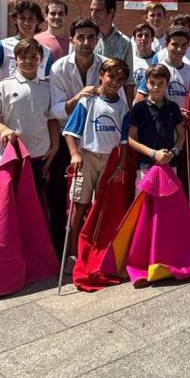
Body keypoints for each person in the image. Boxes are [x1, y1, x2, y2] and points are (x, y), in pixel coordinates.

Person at [62, 58, 131, 271]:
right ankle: (72, 251)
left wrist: (120, 165)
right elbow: (70, 133)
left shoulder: (122, 105)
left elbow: (124, 140)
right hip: (87, 156)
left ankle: (94, 246)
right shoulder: (88, 101)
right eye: (111, 76)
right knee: (79, 203)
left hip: (110, 160)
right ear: (101, 75)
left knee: (102, 205)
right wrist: (74, 154)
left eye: (120, 80)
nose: (115, 83)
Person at [0, 38, 59, 201]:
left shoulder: (47, 88)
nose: (28, 61)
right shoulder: (3, 86)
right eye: (23, 57)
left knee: (35, 202)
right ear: (16, 59)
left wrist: (55, 146)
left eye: (33, 57)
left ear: (41, 60)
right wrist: (3, 129)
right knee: (9, 201)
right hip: (12, 156)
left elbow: (52, 120)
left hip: (39, 156)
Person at [128, 64, 186, 190]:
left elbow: (181, 136)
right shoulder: (139, 108)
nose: (156, 87)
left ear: (167, 84)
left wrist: (173, 153)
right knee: (144, 203)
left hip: (169, 163)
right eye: (152, 82)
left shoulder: (173, 108)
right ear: (146, 83)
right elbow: (130, 139)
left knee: (167, 202)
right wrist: (153, 153)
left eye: (161, 83)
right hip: (145, 164)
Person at [0, 0, 51, 91]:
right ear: (15, 20)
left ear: (38, 21)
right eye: (22, 18)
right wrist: (5, 93)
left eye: (31, 19)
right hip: (9, 104)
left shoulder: (46, 51)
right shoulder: (2, 46)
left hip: (37, 103)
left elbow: (48, 82)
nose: (26, 23)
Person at [90, 0, 133, 66]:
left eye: (98, 10)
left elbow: (129, 76)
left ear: (111, 12)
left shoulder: (124, 43)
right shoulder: (85, 39)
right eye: (91, 10)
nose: (93, 14)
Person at [131, 23, 159, 87]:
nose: (143, 38)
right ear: (134, 39)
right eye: (140, 35)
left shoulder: (159, 60)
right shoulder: (129, 59)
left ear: (152, 39)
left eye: (147, 35)